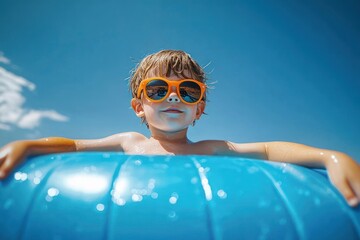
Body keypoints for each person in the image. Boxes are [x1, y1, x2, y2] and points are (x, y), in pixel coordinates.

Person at [0, 50, 359, 208]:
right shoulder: (131, 143)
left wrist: (331, 156)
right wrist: (28, 145)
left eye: (187, 91)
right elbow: (74, 145)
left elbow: (268, 149)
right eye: (158, 89)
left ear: (198, 109)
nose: (173, 97)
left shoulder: (210, 148)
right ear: (139, 105)